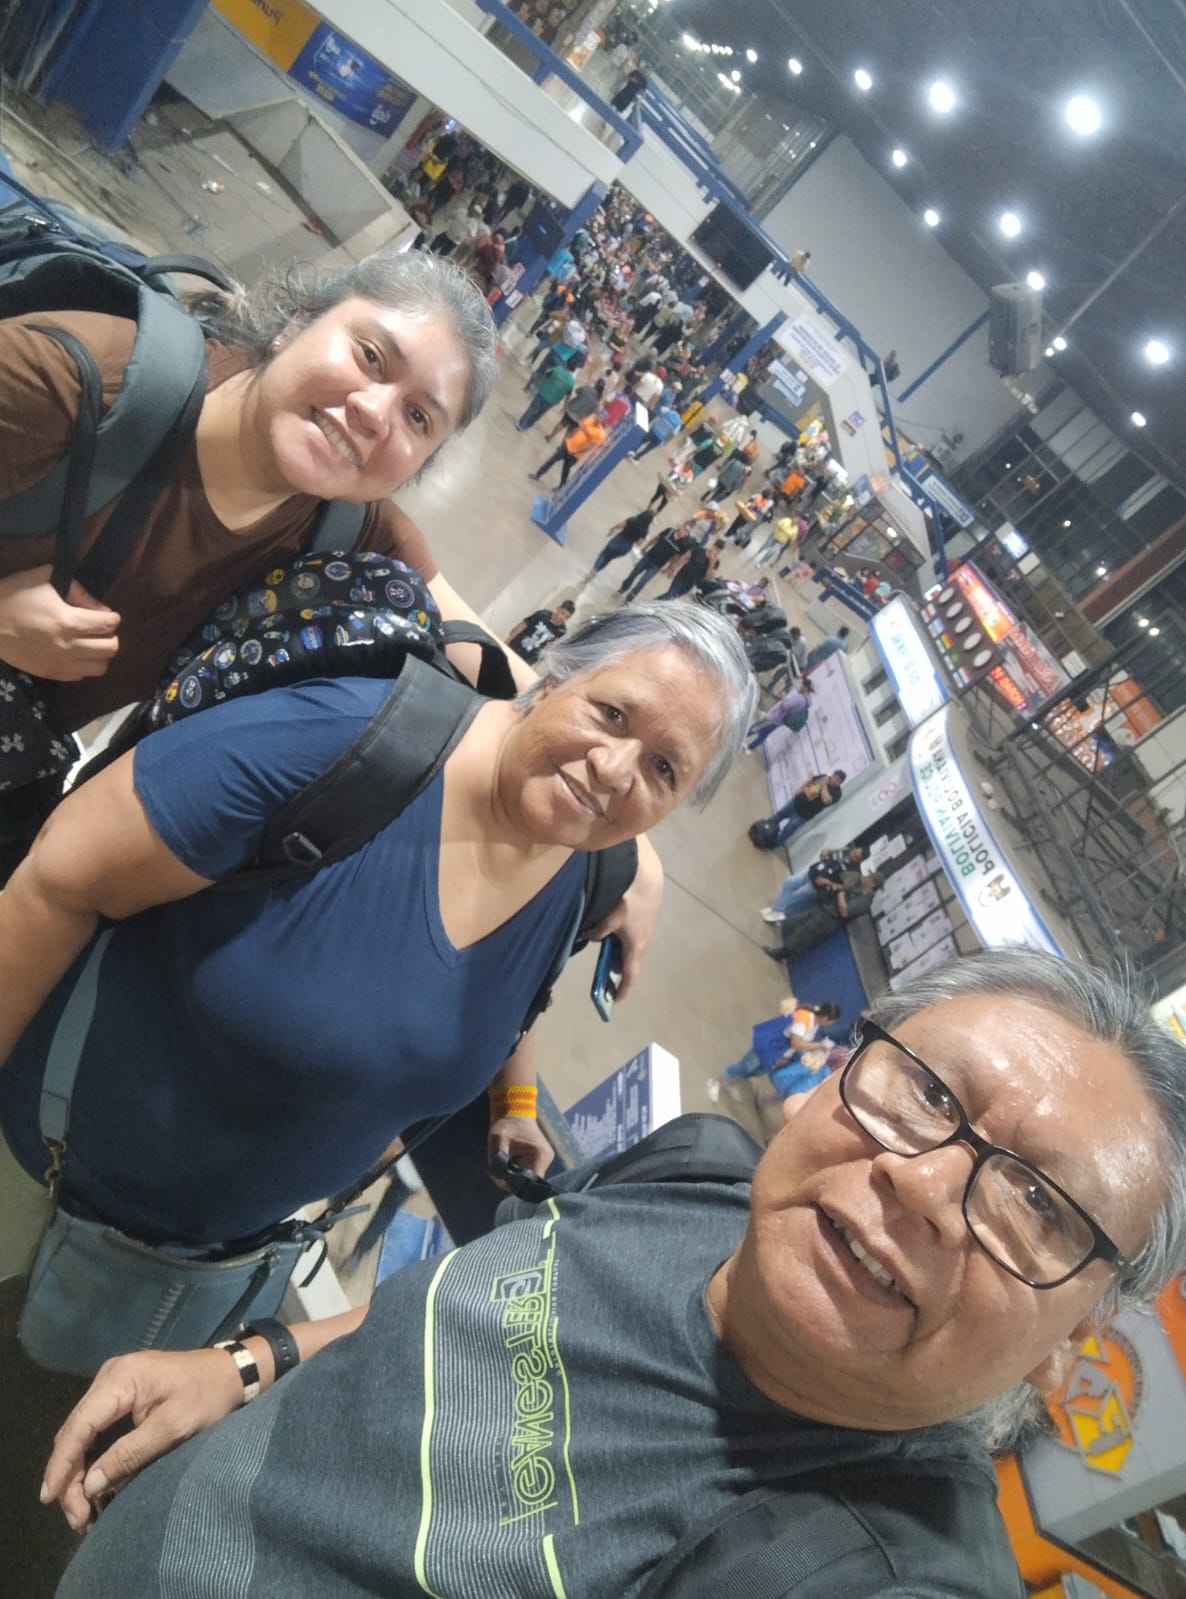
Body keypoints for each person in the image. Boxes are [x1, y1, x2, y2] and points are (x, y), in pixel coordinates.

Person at [42, 952, 1186, 1599]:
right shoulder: (697, 1172)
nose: (925, 1185)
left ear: (1068, 1347)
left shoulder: (859, 1564)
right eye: (928, 1093)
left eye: (1038, 1205)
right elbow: (469, 1296)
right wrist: (251, 1361)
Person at [0, 603, 756, 1298]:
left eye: (664, 768)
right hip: (42, 1166)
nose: (615, 770)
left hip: (202, 1255)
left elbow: (506, 988)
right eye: (611, 713)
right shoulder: (332, 746)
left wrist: (517, 1104)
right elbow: (55, 883)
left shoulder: (589, 878)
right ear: (556, 676)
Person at [0, 250, 510, 868]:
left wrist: (614, 850)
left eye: (418, 416)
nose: (375, 414)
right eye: (370, 357)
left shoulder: (344, 528)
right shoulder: (71, 383)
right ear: (296, 324)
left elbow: (502, 679)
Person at [706, 996, 841, 1103]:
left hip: (777, 1053)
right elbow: (796, 1043)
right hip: (769, 1047)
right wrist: (818, 1046)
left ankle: (730, 1082)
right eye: (831, 1022)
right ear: (826, 1018)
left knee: (755, 1071)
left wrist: (786, 1056)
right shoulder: (804, 1019)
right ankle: (715, 1081)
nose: (830, 1025)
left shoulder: (814, 1024)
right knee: (744, 1066)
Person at [765, 870, 882, 961]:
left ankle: (781, 954)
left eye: (869, 877)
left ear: (872, 884)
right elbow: (844, 877)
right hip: (825, 909)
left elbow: (845, 911)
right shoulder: (858, 886)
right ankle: (791, 951)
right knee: (796, 922)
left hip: (830, 919)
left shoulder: (865, 901)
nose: (866, 877)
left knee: (803, 932)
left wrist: (841, 894)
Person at [759, 844, 866, 924]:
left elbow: (844, 888)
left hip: (817, 886)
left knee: (795, 897)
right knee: (788, 883)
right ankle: (776, 908)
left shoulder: (853, 873)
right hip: (812, 872)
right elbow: (828, 851)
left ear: (860, 860)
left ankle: (776, 911)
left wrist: (828, 882)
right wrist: (825, 853)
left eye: (856, 857)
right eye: (854, 852)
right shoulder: (845, 850)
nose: (853, 855)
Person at [752, 769, 846, 851]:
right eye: (834, 776)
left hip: (802, 815)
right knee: (778, 816)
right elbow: (811, 781)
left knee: (787, 830)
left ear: (840, 783)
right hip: (795, 802)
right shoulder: (824, 777)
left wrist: (824, 784)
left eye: (838, 780)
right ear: (833, 774)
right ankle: (763, 830)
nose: (834, 780)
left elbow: (826, 799)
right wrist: (800, 788)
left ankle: (774, 844)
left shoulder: (837, 793)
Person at [528, 409, 608, 488]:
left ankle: (561, 486)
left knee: (565, 470)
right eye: (599, 415)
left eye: (601, 418)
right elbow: (577, 428)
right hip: (567, 445)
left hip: (575, 454)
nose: (599, 418)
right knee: (552, 459)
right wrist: (568, 439)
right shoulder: (588, 420)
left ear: (603, 421)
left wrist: (576, 451)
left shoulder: (600, 434)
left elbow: (590, 447)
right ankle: (538, 474)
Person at [617, 521, 692, 604]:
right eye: (685, 529)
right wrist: (646, 547)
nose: (685, 533)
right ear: (681, 527)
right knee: (634, 573)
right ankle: (623, 588)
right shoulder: (669, 531)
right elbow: (656, 539)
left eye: (687, 532)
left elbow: (675, 558)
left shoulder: (682, 545)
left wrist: (669, 568)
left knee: (642, 582)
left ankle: (629, 599)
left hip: (657, 566)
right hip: (648, 557)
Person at [515, 352, 581, 432]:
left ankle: (521, 424)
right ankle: (528, 425)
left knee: (532, 408)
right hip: (552, 401)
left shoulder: (557, 369)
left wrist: (536, 382)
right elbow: (568, 396)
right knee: (540, 414)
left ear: (567, 363)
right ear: (574, 370)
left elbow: (545, 376)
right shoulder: (571, 382)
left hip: (542, 392)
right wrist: (564, 407)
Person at [588, 505, 657, 577]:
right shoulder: (645, 531)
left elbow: (620, 525)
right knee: (609, 558)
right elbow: (639, 543)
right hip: (627, 546)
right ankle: (596, 571)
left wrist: (612, 529)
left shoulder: (633, 520)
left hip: (619, 539)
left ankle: (594, 569)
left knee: (605, 553)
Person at [745, 678, 814, 750]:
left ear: (806, 687)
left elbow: (785, 706)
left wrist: (782, 697)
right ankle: (750, 748)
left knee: (757, 727)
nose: (801, 686)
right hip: (779, 720)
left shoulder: (800, 698)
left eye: (802, 684)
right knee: (763, 734)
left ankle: (742, 736)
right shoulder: (805, 702)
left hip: (775, 717)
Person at [506, 598, 575, 664]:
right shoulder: (542, 615)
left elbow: (549, 645)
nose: (562, 617)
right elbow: (522, 625)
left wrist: (539, 659)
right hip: (515, 646)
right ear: (558, 609)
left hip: (528, 658)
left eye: (567, 617)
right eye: (562, 613)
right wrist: (507, 641)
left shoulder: (562, 631)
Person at [658, 536, 725, 601]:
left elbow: (708, 577)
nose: (715, 550)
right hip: (682, 577)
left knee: (673, 596)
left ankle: (654, 602)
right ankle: (654, 604)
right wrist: (674, 568)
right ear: (713, 545)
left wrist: (711, 563)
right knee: (671, 595)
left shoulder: (716, 562)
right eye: (715, 547)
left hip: (691, 583)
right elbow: (685, 557)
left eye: (718, 550)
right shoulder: (700, 550)